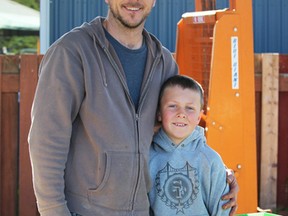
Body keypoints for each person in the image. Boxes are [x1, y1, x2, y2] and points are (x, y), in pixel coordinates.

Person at [28, 0, 238, 215]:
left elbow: (176, 136)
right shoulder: (73, 53)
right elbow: (46, 140)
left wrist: (218, 173)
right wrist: (54, 211)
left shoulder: (163, 62)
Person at [149, 75, 231, 216]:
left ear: (199, 117)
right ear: (159, 113)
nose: (181, 114)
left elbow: (222, 211)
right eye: (173, 106)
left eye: (190, 108)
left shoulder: (211, 161)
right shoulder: (146, 157)